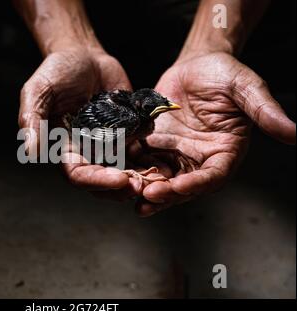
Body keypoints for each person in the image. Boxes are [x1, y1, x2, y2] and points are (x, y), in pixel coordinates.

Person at [15, 0, 296, 216]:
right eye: (159, 108)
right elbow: (89, 135)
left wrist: (210, 46)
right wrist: (66, 41)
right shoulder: (127, 120)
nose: (167, 109)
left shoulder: (143, 122)